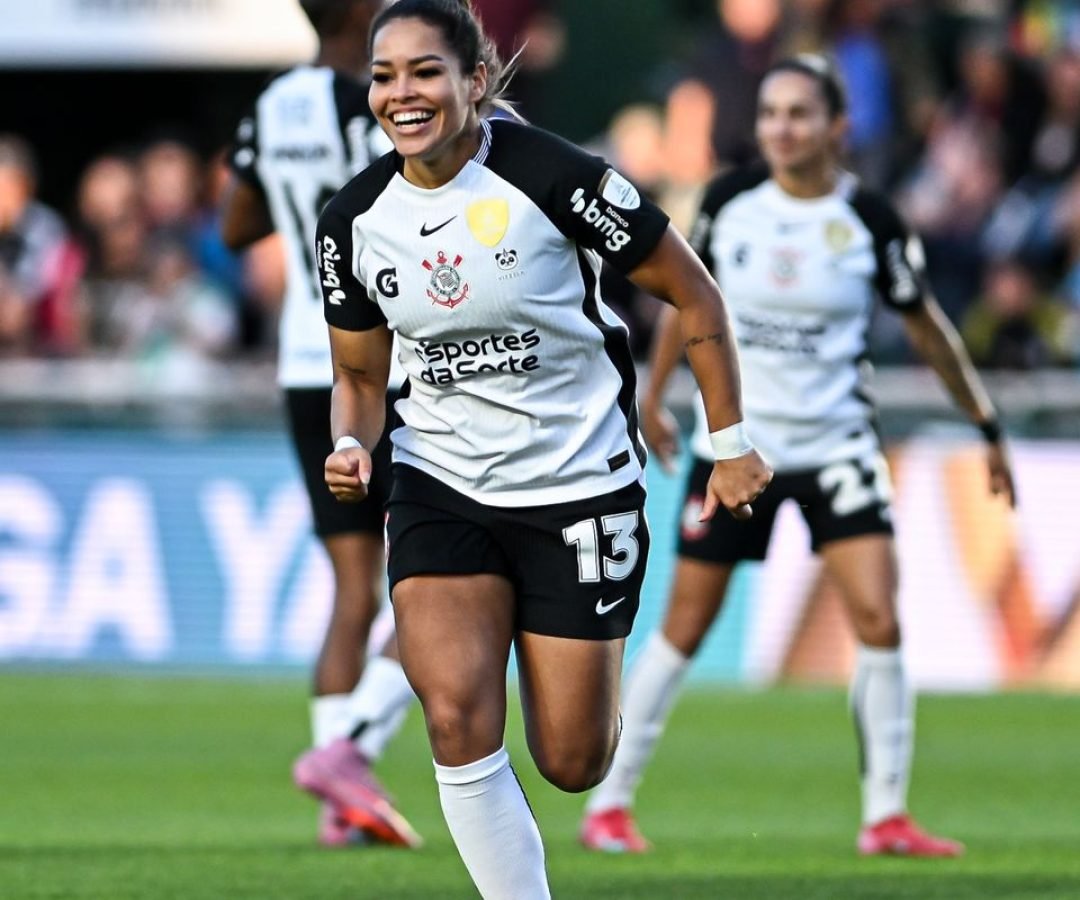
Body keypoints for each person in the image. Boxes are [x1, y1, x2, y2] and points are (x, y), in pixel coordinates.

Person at [316, 1, 772, 896]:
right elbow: (362, 378)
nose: (401, 94)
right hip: (439, 480)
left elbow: (697, 294)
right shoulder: (355, 220)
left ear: (474, 81)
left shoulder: (556, 177)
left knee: (571, 759)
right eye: (384, 75)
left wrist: (732, 442)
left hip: (577, 486)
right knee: (454, 716)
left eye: (424, 72)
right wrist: (349, 442)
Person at [581, 54, 1017, 858]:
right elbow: (688, 300)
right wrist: (654, 393)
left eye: (800, 113)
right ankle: (608, 803)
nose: (782, 127)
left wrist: (985, 423)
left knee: (880, 619)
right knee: (683, 625)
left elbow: (930, 332)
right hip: (741, 451)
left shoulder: (872, 221)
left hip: (839, 448)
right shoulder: (729, 203)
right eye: (773, 113)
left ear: (836, 128)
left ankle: (885, 817)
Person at [220, 0, 420, 848]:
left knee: (352, 590)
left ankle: (343, 808)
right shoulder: (386, 102)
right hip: (390, 367)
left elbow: (236, 222)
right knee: (454, 573)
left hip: (306, 363)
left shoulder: (275, 101)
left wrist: (298, 207)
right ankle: (350, 752)